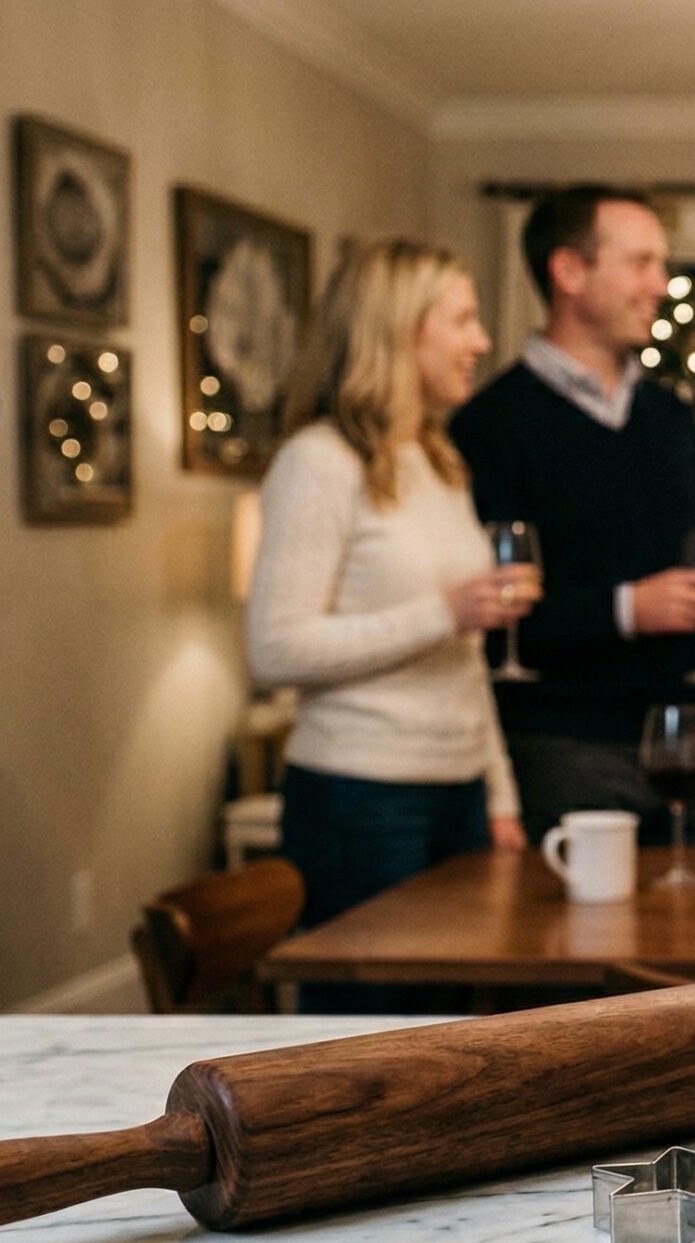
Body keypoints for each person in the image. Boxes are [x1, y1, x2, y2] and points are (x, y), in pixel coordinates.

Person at [247, 239, 536, 934]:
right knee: (369, 1031)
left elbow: (464, 658)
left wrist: (498, 794)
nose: (482, 340)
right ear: (404, 331)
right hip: (361, 799)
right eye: (463, 320)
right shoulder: (318, 461)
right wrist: (443, 611)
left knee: (451, 1032)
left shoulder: (438, 462)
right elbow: (274, 648)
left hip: (459, 792)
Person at [450, 185, 695, 844]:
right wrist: (629, 607)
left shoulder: (670, 417)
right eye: (640, 263)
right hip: (560, 745)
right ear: (569, 272)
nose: (661, 285)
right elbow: (497, 622)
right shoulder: (490, 425)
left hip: (686, 745)